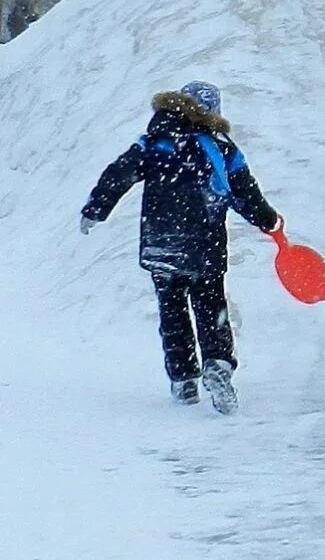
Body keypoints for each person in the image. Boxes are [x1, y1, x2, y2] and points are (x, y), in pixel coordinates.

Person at [79, 82, 281, 414]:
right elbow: (245, 192)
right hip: (205, 244)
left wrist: (95, 209)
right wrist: (268, 220)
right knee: (210, 308)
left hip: (162, 243)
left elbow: (120, 173)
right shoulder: (221, 147)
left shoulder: (156, 141)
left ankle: (184, 379)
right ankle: (216, 363)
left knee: (172, 313)